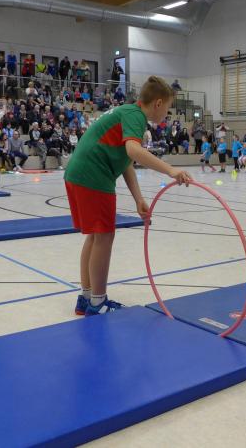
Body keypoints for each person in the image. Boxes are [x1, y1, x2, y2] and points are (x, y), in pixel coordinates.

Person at [63, 76, 192, 316]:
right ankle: (98, 302)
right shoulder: (136, 116)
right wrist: (171, 170)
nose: (167, 113)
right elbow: (134, 151)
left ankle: (87, 298)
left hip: (78, 173)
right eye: (168, 107)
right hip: (93, 175)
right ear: (158, 103)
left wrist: (138, 198)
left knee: (95, 236)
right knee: (104, 236)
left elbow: (125, 161)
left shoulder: (127, 112)